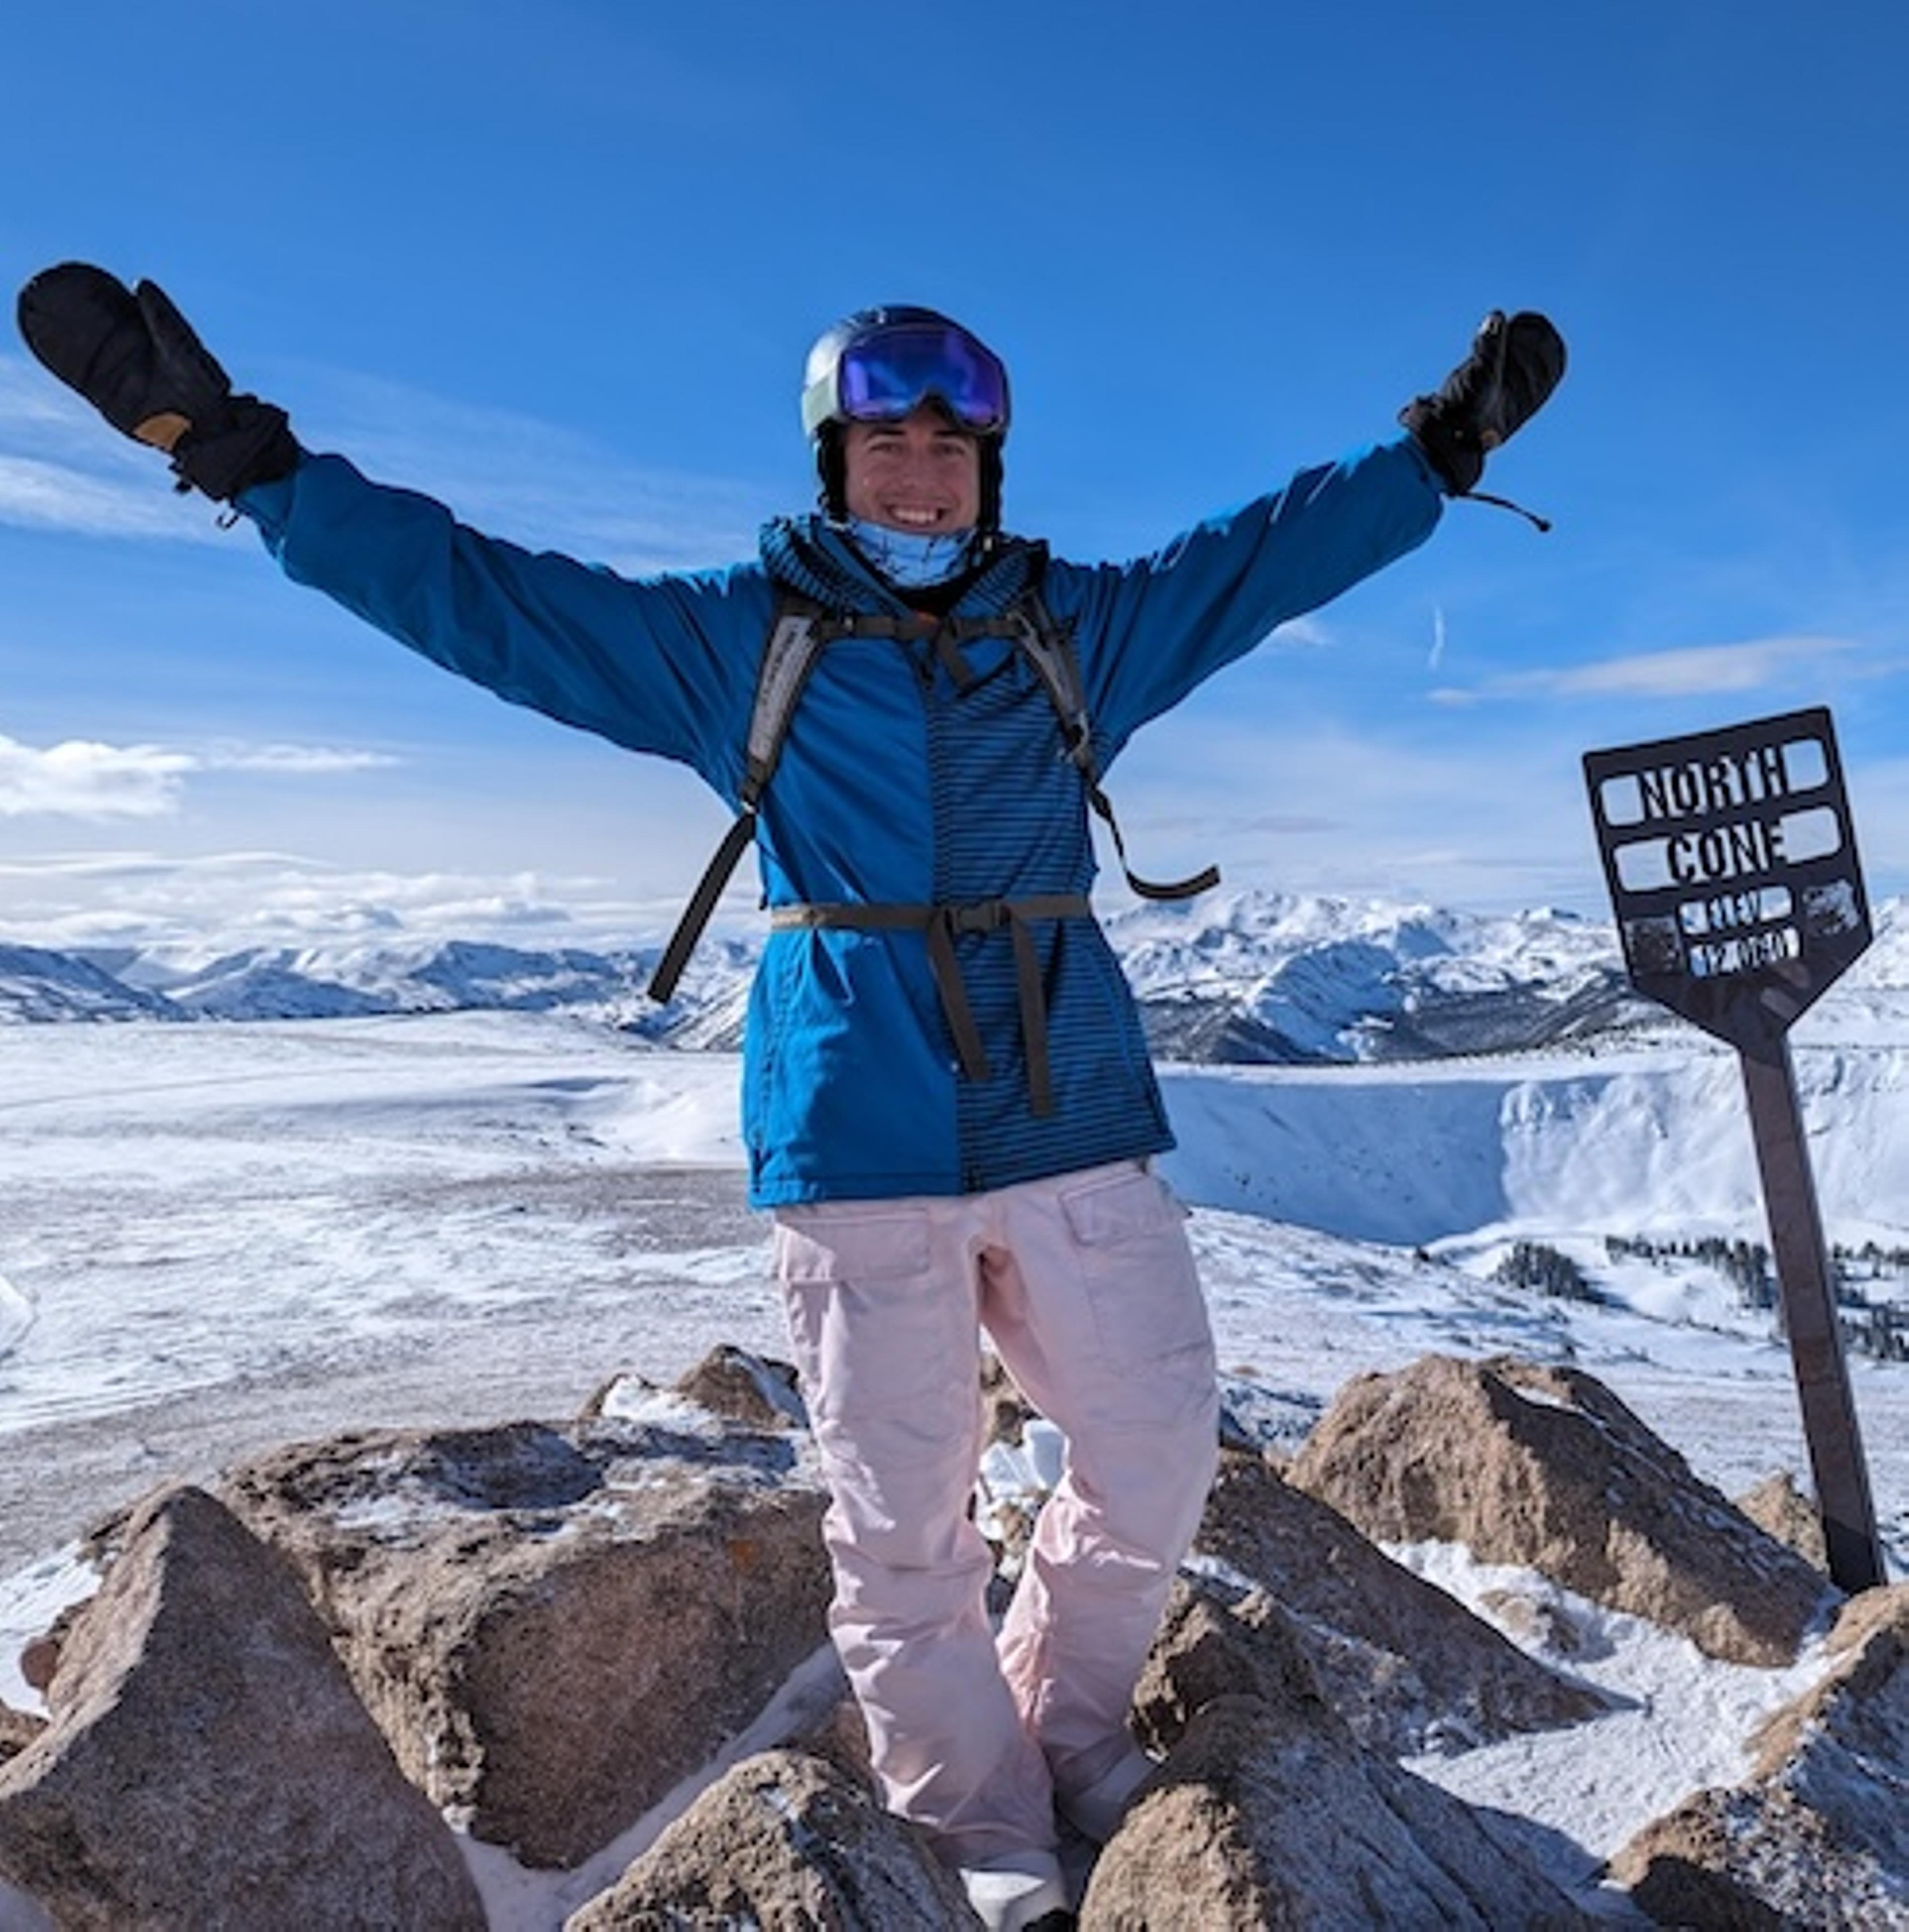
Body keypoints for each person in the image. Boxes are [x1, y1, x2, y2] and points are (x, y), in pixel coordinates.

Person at [16, 265, 1563, 1932]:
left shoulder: (1074, 629)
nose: (918, 469)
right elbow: (480, 598)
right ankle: (980, 1826)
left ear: (990, 468)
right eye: (882, 439)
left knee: (1157, 1443)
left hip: (1072, 1111)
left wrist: (1433, 458)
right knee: (904, 1525)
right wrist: (253, 466)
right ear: (833, 462)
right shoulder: (733, 641)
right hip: (856, 1123)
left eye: (948, 445)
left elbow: (1259, 561)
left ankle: (1071, 1728)